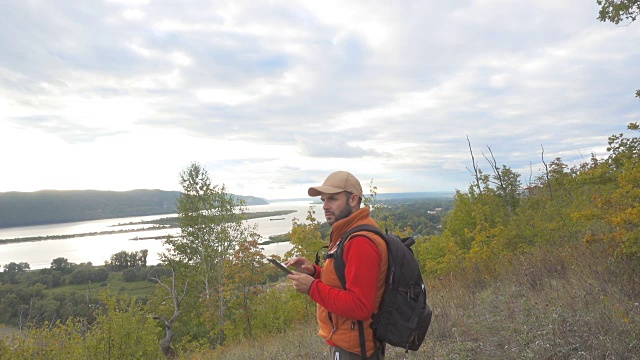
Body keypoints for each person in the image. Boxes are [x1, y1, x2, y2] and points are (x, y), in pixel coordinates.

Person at [286, 171, 388, 360]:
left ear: (353, 199)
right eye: (323, 200)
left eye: (332, 199)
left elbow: (360, 306)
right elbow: (344, 280)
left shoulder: (360, 241)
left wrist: (312, 287)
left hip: (355, 349)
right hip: (348, 341)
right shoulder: (348, 232)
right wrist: (314, 272)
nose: (325, 206)